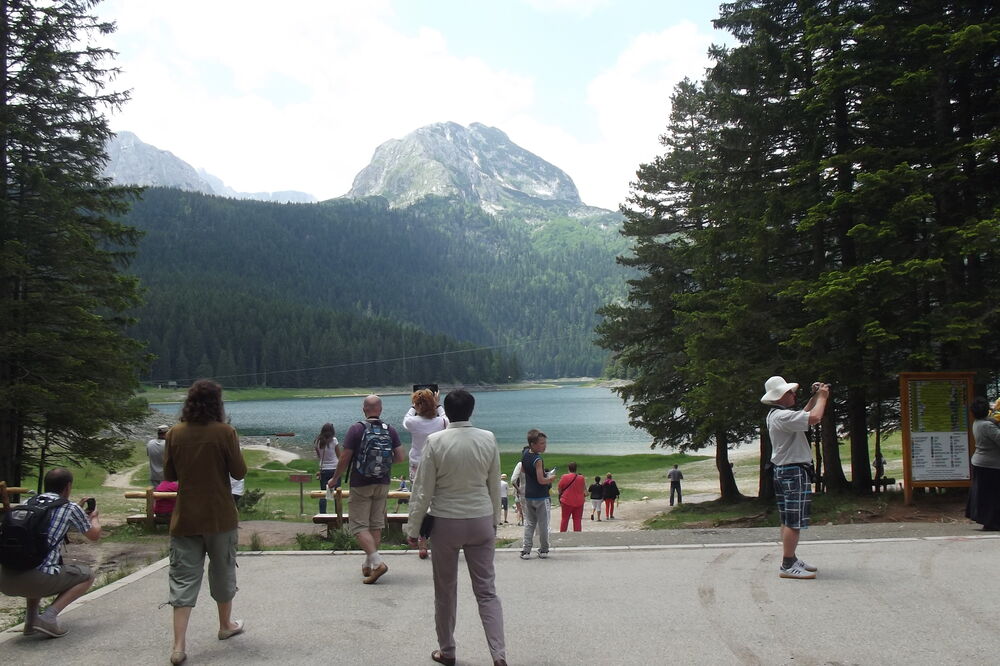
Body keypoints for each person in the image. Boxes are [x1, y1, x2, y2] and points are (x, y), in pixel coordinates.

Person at [406, 389, 506, 666]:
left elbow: (422, 489)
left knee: (445, 591)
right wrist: (494, 522)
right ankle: (498, 655)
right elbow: (493, 484)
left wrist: (413, 529)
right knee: (487, 591)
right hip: (480, 519)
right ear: (471, 410)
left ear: (445, 412)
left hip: (446, 522)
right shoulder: (488, 439)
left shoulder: (435, 441)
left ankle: (447, 650)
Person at [164, 379, 248, 665]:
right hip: (219, 515)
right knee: (223, 570)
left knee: (183, 578)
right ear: (218, 403)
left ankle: (178, 646)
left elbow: (170, 474)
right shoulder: (225, 432)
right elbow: (239, 471)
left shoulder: (174, 433)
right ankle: (225, 626)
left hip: (185, 516)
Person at [0, 468, 102, 637]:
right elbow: (94, 535)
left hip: (5, 579)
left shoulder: (28, 503)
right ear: (68, 487)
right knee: (87, 575)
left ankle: (31, 621)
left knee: (33, 559)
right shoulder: (69, 508)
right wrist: (94, 518)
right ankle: (48, 617)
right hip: (36, 580)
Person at [328, 394, 405, 584]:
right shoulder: (390, 430)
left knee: (359, 526)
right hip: (383, 483)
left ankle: (378, 563)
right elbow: (401, 457)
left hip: (361, 483)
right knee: (375, 524)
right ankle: (369, 565)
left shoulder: (356, 429)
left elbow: (345, 458)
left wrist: (334, 479)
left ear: (364, 409)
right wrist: (383, 464)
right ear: (381, 409)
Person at [761, 375, 829, 580]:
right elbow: (814, 418)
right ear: (780, 396)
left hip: (784, 471)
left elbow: (804, 413)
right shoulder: (782, 417)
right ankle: (788, 564)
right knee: (794, 520)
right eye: (789, 392)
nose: (793, 394)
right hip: (793, 472)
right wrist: (824, 397)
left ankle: (791, 558)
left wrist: (816, 396)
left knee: (787, 517)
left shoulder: (778, 415)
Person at [520, 429, 555, 559]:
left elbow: (523, 470)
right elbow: (541, 480)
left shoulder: (524, 454)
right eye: (541, 443)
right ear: (533, 444)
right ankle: (544, 549)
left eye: (544, 443)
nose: (544, 445)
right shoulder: (538, 459)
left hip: (529, 495)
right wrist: (550, 478)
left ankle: (526, 550)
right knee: (543, 524)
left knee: (529, 523)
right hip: (541, 496)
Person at [966, 396, 1000, 531]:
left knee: (984, 494)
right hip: (991, 465)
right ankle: (992, 522)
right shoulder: (988, 426)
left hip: (981, 463)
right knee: (993, 495)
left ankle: (988, 520)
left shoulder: (978, 423)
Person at [403, 388, 448, 482]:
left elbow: (407, 418)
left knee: (416, 492)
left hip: (417, 464)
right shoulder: (442, 422)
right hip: (436, 464)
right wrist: (437, 404)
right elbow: (444, 415)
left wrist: (413, 406)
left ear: (417, 405)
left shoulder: (412, 422)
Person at [314, 423, 341, 513]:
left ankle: (322, 514)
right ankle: (338, 514)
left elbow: (319, 457)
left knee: (323, 493)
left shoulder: (317, 441)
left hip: (323, 469)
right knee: (337, 493)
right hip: (334, 469)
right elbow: (339, 455)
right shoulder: (334, 440)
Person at [557, 462, 586, 532]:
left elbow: (559, 488)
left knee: (565, 519)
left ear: (568, 468)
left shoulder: (564, 477)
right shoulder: (581, 478)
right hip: (579, 501)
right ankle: (577, 536)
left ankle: (563, 534)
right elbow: (583, 489)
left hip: (566, 501)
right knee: (577, 520)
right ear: (576, 469)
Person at [510, 457, 526, 526]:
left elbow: (513, 483)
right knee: (522, 510)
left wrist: (518, 491)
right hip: (521, 495)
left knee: (519, 510)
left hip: (517, 497)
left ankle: (519, 521)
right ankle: (522, 521)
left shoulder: (517, 484)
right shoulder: (522, 483)